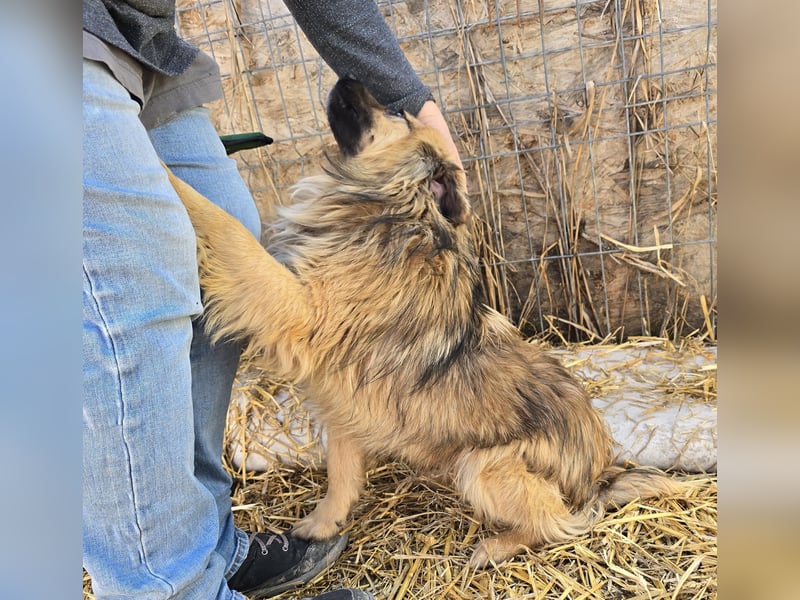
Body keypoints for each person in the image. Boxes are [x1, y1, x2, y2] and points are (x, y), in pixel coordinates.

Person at [82, 1, 461, 599]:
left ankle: (205, 546)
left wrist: (415, 100)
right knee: (133, 280)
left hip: (133, 38)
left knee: (223, 226)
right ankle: (170, 586)